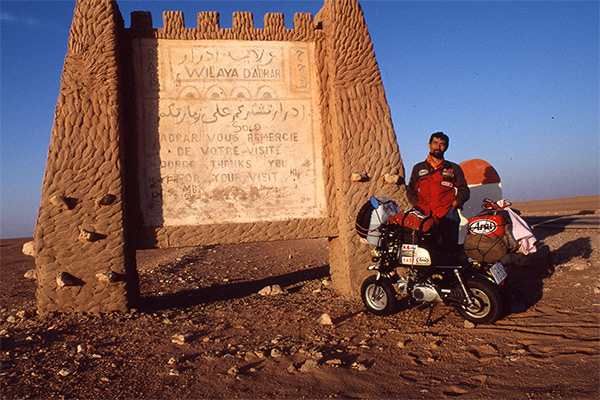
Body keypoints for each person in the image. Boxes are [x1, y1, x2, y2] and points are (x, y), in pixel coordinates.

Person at [406, 132, 470, 247]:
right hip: (425, 215)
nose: (438, 146)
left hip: (448, 214)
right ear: (429, 145)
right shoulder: (419, 168)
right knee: (426, 249)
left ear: (446, 147)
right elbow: (411, 190)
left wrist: (456, 203)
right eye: (435, 143)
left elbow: (464, 190)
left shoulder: (453, 168)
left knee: (449, 251)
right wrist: (418, 204)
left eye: (442, 144)